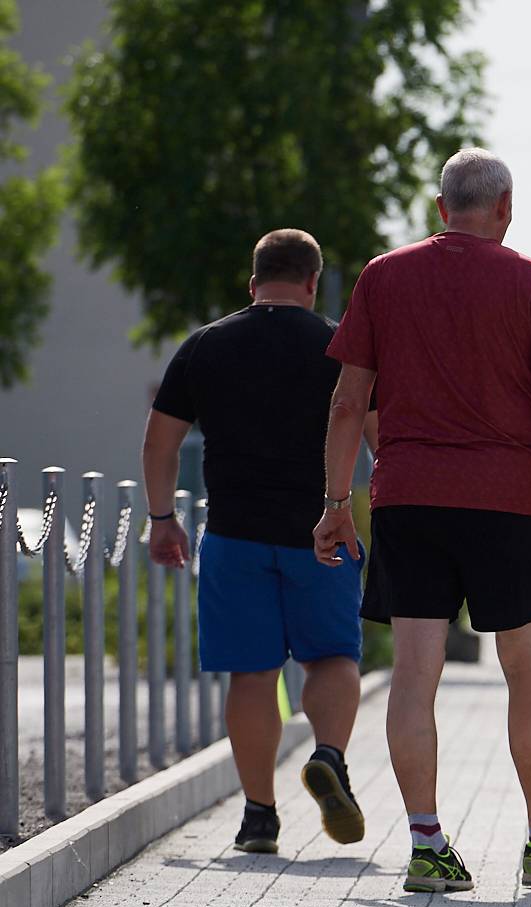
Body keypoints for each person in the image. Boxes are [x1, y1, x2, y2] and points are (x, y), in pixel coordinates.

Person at [312, 147, 531, 893]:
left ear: (442, 208)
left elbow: (348, 402)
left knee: (415, 672)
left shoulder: (384, 277)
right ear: (505, 208)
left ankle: (427, 845)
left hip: (409, 497)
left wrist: (335, 504)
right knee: (529, 670)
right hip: (510, 501)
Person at [141, 228, 372, 855]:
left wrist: (162, 518)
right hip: (322, 532)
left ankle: (259, 816)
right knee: (332, 658)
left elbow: (159, 442)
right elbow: (381, 436)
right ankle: (328, 755)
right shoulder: (341, 347)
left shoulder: (206, 345)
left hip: (235, 536)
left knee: (252, 673)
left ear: (253, 282)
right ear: (312, 282)